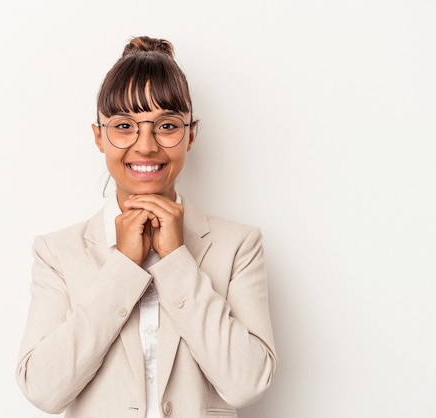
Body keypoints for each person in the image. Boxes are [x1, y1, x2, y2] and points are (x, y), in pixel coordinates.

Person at [16, 36, 277, 418]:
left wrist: (176, 261)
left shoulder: (239, 245)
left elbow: (246, 383)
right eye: (124, 126)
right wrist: (123, 267)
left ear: (190, 135)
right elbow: (42, 390)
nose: (146, 146)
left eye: (166, 125)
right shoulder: (57, 252)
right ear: (99, 137)